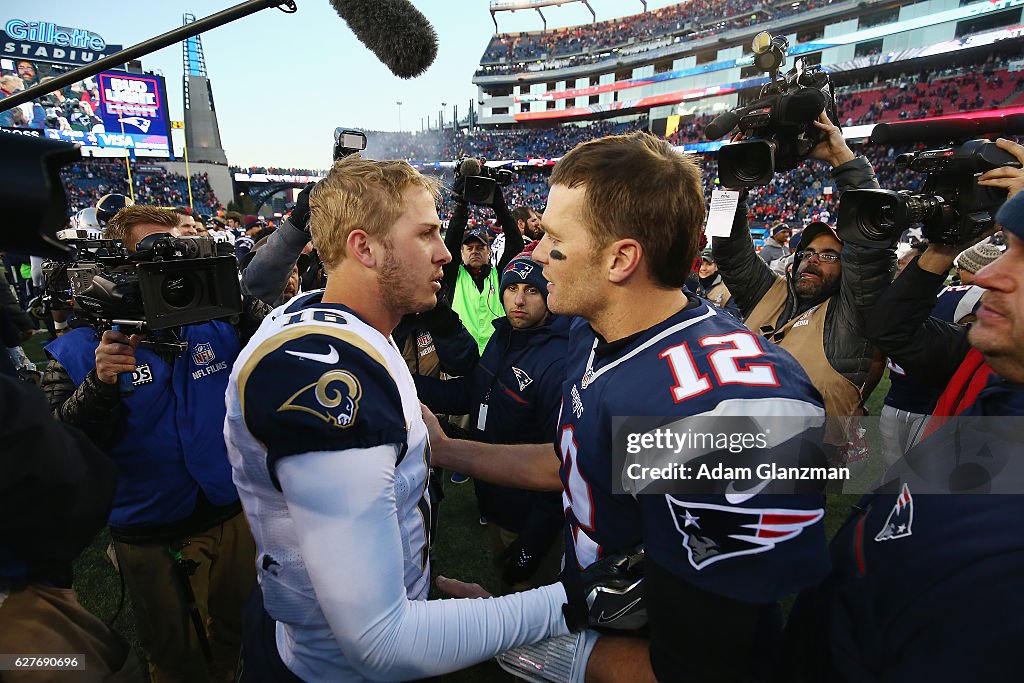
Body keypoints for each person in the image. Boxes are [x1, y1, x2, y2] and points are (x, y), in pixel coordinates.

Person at [428, 132, 831, 682]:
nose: (537, 254)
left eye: (552, 238)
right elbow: (581, 459)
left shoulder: (738, 413)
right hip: (594, 604)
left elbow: (698, 669)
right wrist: (450, 451)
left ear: (620, 259)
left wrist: (513, 635)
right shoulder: (593, 329)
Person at [224, 155, 583, 682]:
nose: (444, 254)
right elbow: (380, 641)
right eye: (427, 234)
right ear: (363, 246)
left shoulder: (337, 317)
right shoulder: (321, 368)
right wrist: (568, 606)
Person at [780, 142, 1024, 682]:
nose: (987, 275)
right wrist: (944, 245)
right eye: (1005, 247)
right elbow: (892, 330)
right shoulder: (993, 382)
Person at [43, 205, 262, 683]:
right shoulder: (81, 348)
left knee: (238, 632)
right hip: (150, 527)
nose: (167, 266)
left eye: (177, 252)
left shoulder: (216, 322)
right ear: (118, 265)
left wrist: (239, 297)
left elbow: (273, 348)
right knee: (175, 654)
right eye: (151, 256)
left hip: (228, 510)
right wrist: (99, 384)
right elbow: (60, 445)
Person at [712, 114, 892, 452]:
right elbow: (727, 247)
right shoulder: (772, 292)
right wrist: (730, 185)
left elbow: (871, 250)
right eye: (807, 251)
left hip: (795, 472)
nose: (812, 258)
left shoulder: (852, 316)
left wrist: (842, 158)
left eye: (828, 255)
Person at [416, 252, 567, 593]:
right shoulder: (502, 337)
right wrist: (405, 383)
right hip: (495, 500)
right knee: (504, 585)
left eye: (531, 290)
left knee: (527, 605)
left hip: (529, 518)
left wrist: (529, 551)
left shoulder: (557, 361)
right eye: (511, 287)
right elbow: (471, 393)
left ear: (548, 294)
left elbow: (560, 468)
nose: (518, 299)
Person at [693, 248, 740, 318]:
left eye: (709, 264)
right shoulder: (690, 285)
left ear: (716, 267)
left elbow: (734, 315)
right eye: (701, 264)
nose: (703, 268)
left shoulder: (727, 288)